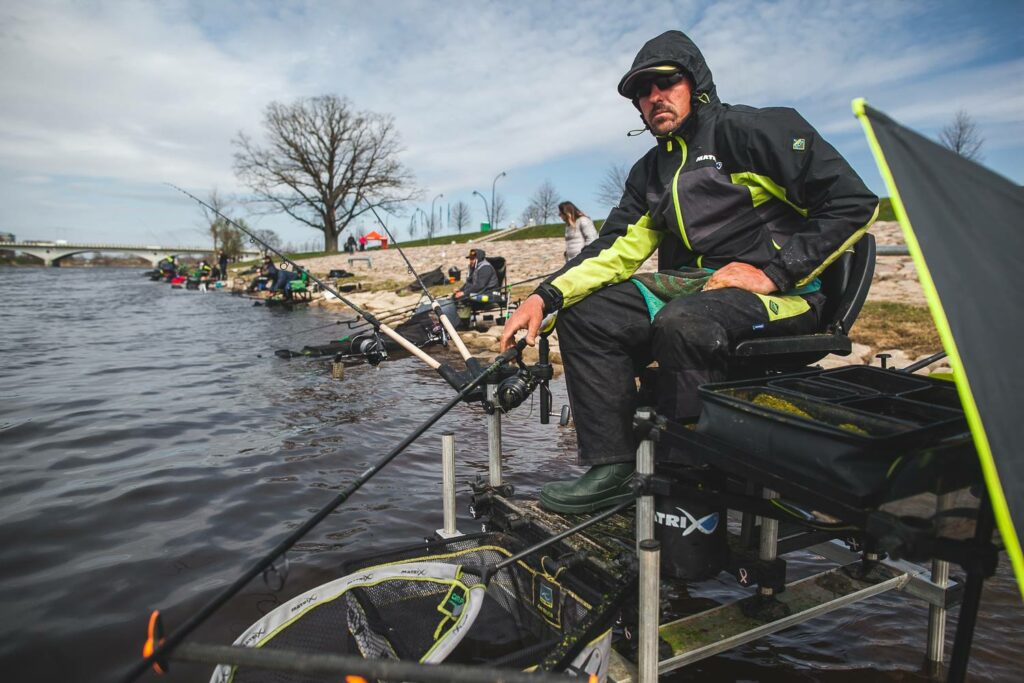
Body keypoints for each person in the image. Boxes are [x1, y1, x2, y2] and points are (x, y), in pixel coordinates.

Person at [500, 30, 878, 514]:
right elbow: (615, 248)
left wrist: (775, 274)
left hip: (788, 294)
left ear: (695, 83)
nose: (655, 97)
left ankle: (691, 478)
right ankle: (613, 467)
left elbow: (853, 204)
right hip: (697, 290)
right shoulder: (649, 173)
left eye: (667, 82)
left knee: (685, 323)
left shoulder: (752, 132)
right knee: (588, 315)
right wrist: (544, 297)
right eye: (643, 91)